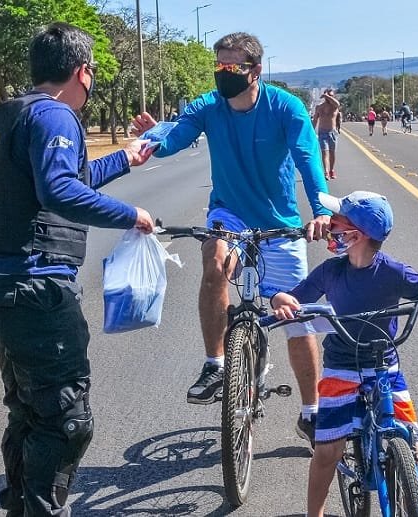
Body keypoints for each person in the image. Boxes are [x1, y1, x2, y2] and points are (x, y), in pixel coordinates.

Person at [0, 22, 157, 516]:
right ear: (81, 71)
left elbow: (65, 176)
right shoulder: (56, 116)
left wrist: (125, 159)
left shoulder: (9, 115)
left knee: (29, 412)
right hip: (32, 287)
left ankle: (20, 507)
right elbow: (60, 192)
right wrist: (131, 214)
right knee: (67, 419)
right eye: (91, 75)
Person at [131, 31, 332, 443]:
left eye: (232, 67)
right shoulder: (209, 105)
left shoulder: (285, 108)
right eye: (218, 66)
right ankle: (216, 364)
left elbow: (308, 159)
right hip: (230, 213)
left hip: (280, 221)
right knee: (215, 261)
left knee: (298, 319)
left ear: (255, 71)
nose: (223, 74)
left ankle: (311, 412)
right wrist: (153, 139)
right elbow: (177, 137)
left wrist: (322, 211)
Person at [268, 190, 418, 517]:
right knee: (328, 451)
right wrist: (281, 300)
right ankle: (314, 514)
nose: (331, 224)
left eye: (337, 221)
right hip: (342, 368)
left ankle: (408, 488)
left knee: (410, 438)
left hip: (384, 366)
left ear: (355, 235)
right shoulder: (330, 271)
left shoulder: (393, 271)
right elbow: (295, 296)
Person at [312, 89, 341, 179]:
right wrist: (312, 131)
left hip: (332, 133)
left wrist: (326, 96)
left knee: (332, 153)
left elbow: (337, 103)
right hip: (322, 132)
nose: (330, 98)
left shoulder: (335, 107)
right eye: (329, 96)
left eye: (332, 96)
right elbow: (315, 120)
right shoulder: (319, 107)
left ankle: (331, 170)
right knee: (325, 153)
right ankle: (326, 172)